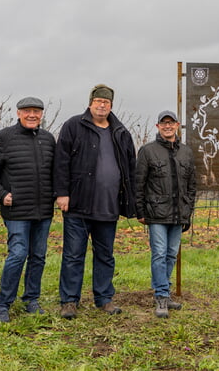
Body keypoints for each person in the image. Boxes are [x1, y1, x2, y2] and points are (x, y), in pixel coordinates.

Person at [55, 84, 136, 318]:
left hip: (109, 206)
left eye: (106, 102)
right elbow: (61, 162)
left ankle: (104, 298)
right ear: (90, 103)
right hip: (78, 204)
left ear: (111, 106)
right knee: (73, 255)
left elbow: (131, 168)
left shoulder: (121, 132)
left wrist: (130, 201)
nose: (102, 105)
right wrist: (62, 193)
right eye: (98, 101)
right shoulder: (73, 126)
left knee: (105, 255)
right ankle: (69, 300)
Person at [0, 96, 56, 323]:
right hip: (16, 210)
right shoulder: (4, 138)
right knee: (18, 254)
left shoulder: (48, 139)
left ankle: (31, 299)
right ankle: (3, 303)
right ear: (18, 113)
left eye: (37, 111)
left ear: (42, 114)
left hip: (43, 210)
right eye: (27, 111)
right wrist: (2, 195)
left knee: (38, 256)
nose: (32, 115)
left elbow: (55, 171)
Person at [136, 110, 196, 318]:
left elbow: (191, 185)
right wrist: (140, 210)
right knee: (159, 253)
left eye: (171, 123)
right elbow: (139, 183)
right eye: (164, 123)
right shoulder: (147, 151)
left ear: (177, 125)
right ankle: (162, 296)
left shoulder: (186, 152)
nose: (168, 126)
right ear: (158, 127)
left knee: (171, 254)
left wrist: (188, 210)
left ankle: (164, 290)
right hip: (156, 213)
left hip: (179, 212)